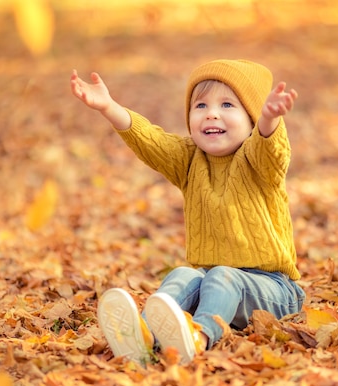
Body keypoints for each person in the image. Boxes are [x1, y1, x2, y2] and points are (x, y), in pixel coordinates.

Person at [70, 59, 305, 365]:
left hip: (274, 289)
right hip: (214, 282)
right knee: (183, 273)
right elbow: (150, 141)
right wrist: (109, 107)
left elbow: (270, 148)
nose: (212, 113)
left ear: (251, 118)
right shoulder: (189, 160)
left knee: (222, 276)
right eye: (201, 105)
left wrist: (269, 121)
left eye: (227, 105)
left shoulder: (257, 161)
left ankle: (199, 337)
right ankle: (145, 336)